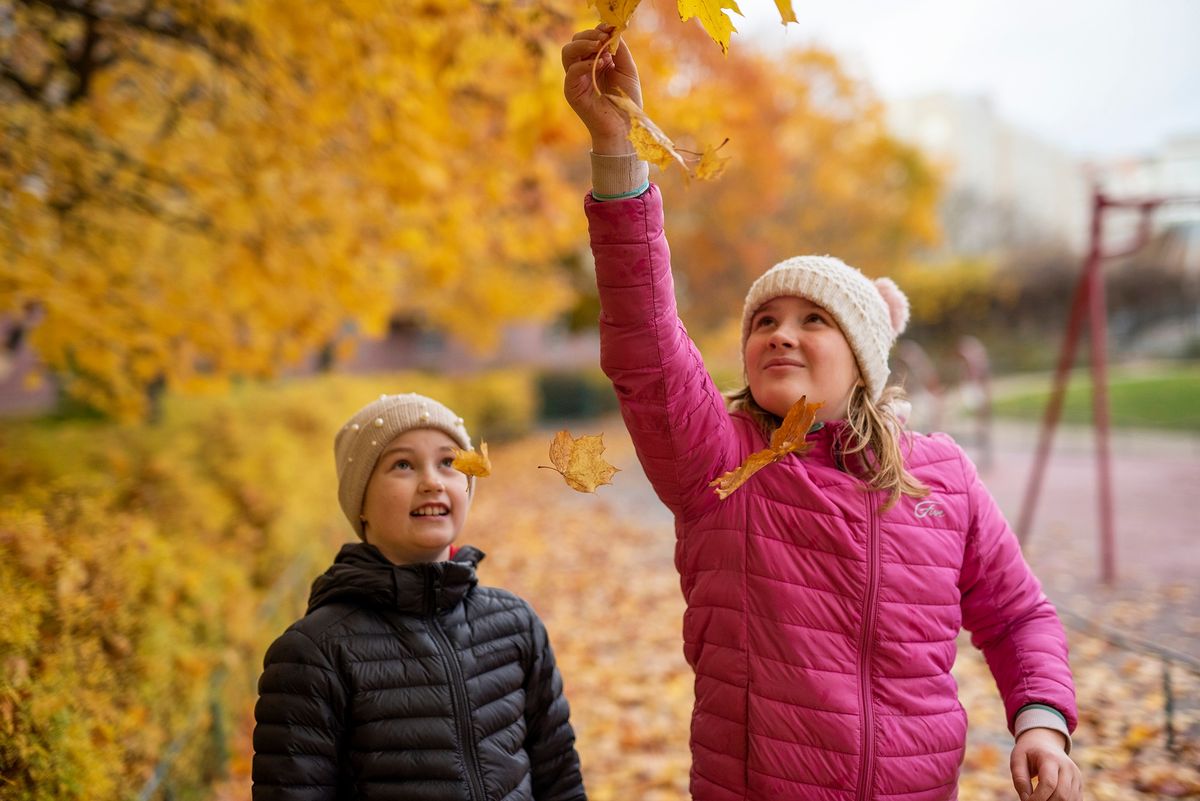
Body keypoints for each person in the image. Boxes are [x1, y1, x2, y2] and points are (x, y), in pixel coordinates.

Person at [562, 26, 1082, 801]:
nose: (780, 333)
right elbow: (645, 342)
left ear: (864, 354)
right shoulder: (720, 462)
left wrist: (1040, 717)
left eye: (813, 319)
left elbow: (1016, 615)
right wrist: (617, 153)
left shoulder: (942, 475)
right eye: (764, 321)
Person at [252, 392, 587, 801]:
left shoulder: (515, 624)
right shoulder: (314, 653)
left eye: (448, 462)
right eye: (403, 465)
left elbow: (560, 779)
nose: (432, 482)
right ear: (361, 504)